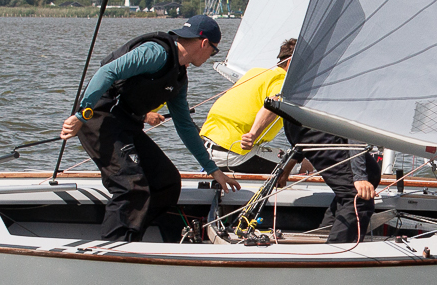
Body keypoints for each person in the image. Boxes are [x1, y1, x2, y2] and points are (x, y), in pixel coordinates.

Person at [58, 15, 239, 241]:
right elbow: (106, 72)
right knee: (130, 186)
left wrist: (213, 170)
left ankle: (132, 239)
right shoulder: (156, 53)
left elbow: (185, 126)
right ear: (204, 43)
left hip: (126, 123)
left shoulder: (179, 78)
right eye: (213, 51)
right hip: (98, 117)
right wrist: (81, 114)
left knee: (167, 182)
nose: (211, 55)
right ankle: (111, 248)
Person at [270, 104, 382, 244]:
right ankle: (335, 251)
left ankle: (324, 235)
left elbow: (302, 140)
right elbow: (354, 126)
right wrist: (359, 177)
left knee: (362, 181)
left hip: (304, 122)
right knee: (357, 197)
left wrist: (288, 166)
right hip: (314, 124)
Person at [199, 38, 295, 175]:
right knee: (303, 165)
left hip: (206, 150)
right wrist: (253, 135)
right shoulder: (282, 82)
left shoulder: (255, 72)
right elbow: (273, 104)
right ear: (291, 62)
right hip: (235, 152)